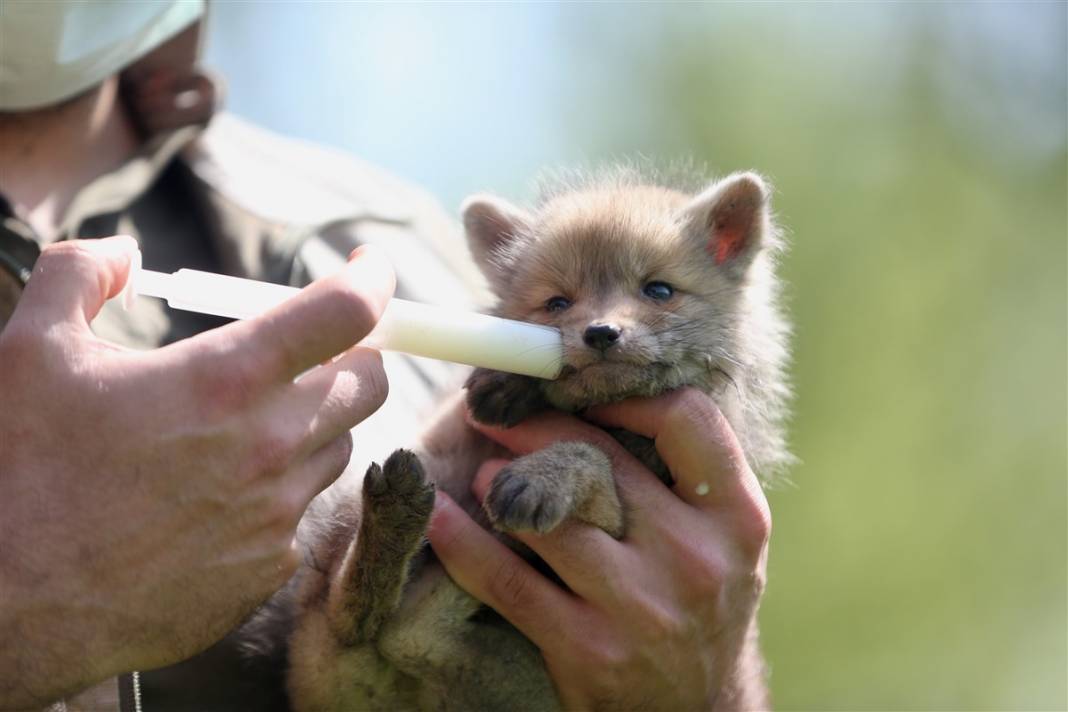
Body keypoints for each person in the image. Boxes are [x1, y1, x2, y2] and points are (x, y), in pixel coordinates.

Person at [0, 3, 772, 710]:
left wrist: (705, 686)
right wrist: (26, 601)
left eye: (656, 293)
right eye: (563, 304)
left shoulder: (391, 235)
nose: (602, 324)